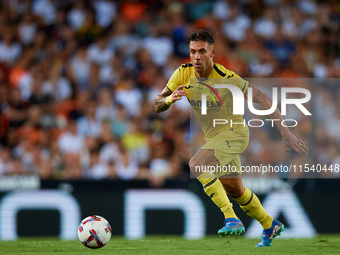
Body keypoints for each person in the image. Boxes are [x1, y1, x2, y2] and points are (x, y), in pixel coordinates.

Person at [154, 29, 308, 247]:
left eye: (201, 51)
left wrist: (285, 132)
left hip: (235, 134)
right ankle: (269, 223)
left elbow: (262, 98)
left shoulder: (227, 78)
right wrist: (169, 100)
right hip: (215, 139)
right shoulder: (182, 73)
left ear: (212, 53)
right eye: (192, 52)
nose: (196, 56)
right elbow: (157, 103)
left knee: (196, 164)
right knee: (236, 191)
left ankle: (231, 218)